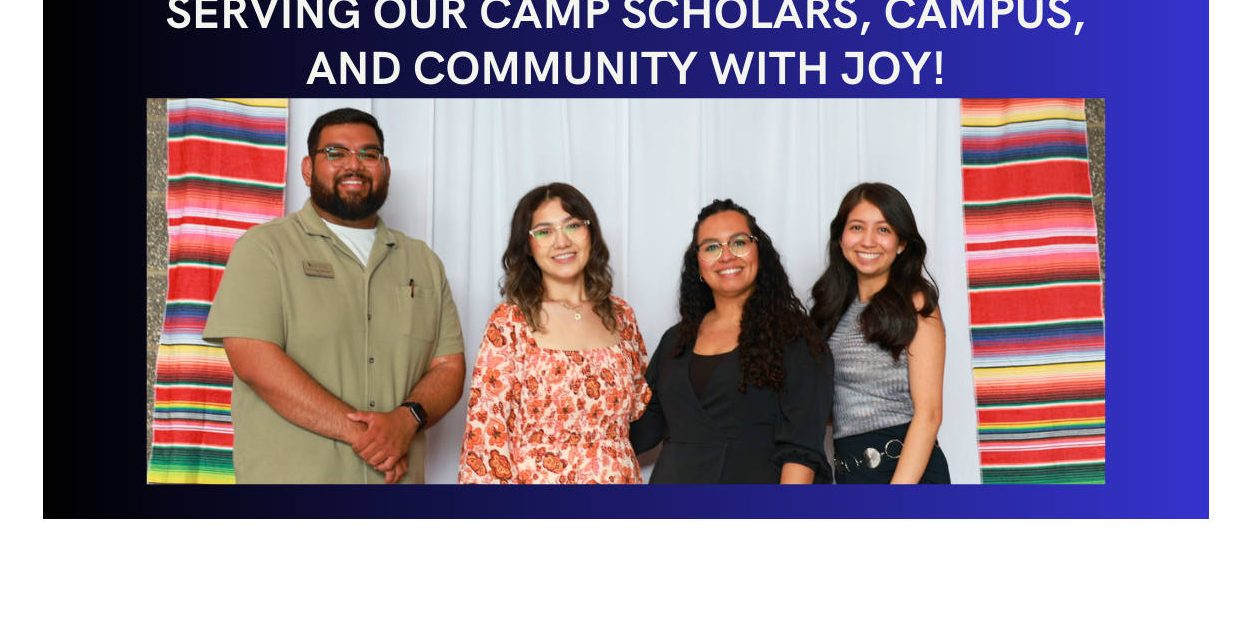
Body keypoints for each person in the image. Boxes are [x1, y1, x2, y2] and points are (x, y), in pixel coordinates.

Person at [202, 108, 466, 484]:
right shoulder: (265, 249)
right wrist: (370, 437)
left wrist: (406, 421)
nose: (354, 165)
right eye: (336, 153)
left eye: (368, 154)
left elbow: (449, 368)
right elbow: (252, 360)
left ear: (385, 168)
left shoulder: (423, 262)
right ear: (308, 168)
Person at [630, 200, 832, 484]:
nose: (726, 256)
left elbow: (802, 449)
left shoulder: (796, 337)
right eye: (711, 247)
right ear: (698, 266)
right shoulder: (675, 340)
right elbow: (640, 431)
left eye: (739, 242)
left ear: (758, 252)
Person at [459, 183, 650, 484]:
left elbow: (642, 411)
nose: (562, 242)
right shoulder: (510, 323)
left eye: (573, 226)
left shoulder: (622, 316)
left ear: (591, 234)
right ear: (529, 246)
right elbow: (485, 441)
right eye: (545, 232)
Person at [810, 182, 950, 484]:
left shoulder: (915, 304)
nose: (868, 241)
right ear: (841, 237)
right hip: (850, 473)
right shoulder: (831, 312)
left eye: (883, 230)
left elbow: (929, 413)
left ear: (901, 242)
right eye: (857, 227)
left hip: (906, 474)